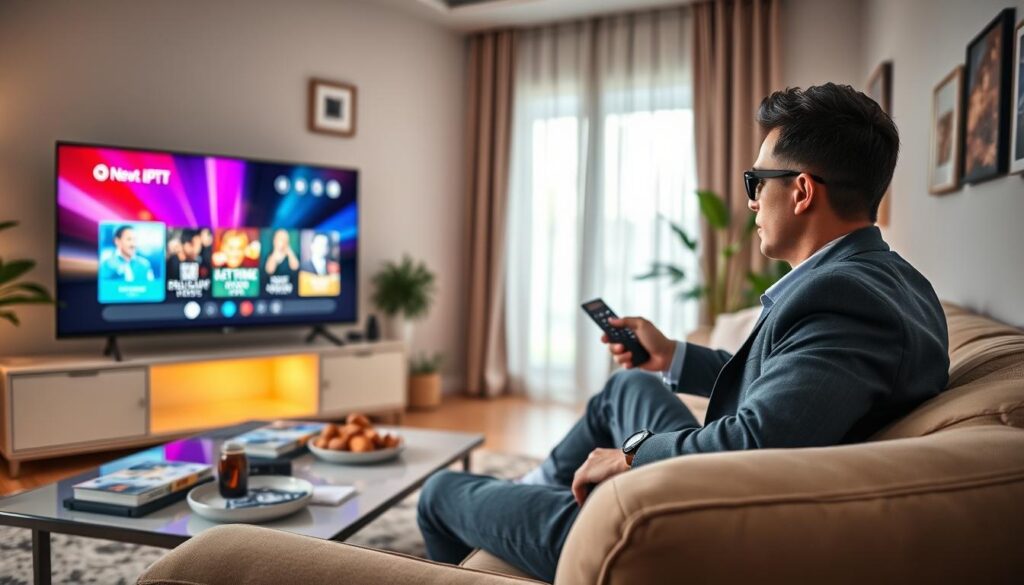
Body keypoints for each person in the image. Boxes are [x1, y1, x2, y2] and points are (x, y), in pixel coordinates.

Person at [416, 83, 950, 583]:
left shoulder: (843, 301)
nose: (750, 201)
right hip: (720, 488)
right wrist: (672, 354)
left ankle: (535, 511)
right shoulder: (890, 279)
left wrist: (630, 455)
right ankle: (533, 492)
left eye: (756, 182)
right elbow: (789, 388)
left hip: (688, 526)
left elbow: (755, 444)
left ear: (803, 191)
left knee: (439, 491)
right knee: (630, 386)